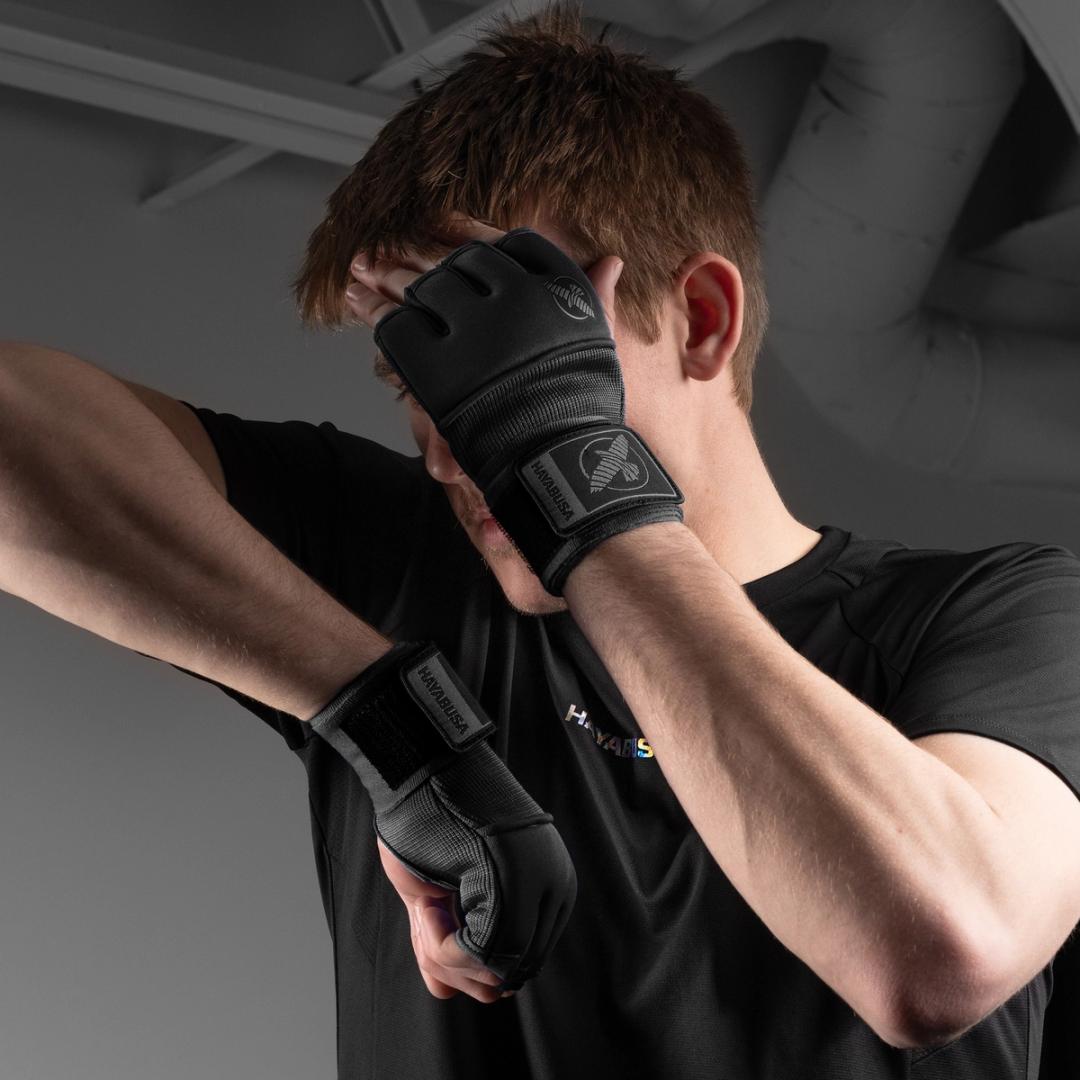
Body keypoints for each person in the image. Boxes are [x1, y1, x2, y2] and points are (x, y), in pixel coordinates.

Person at [2, 3, 1079, 1078]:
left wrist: (562, 460)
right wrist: (397, 731)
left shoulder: (1001, 614)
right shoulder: (405, 571)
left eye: (507, 358)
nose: (452, 444)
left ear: (702, 320)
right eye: (423, 380)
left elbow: (941, 954)